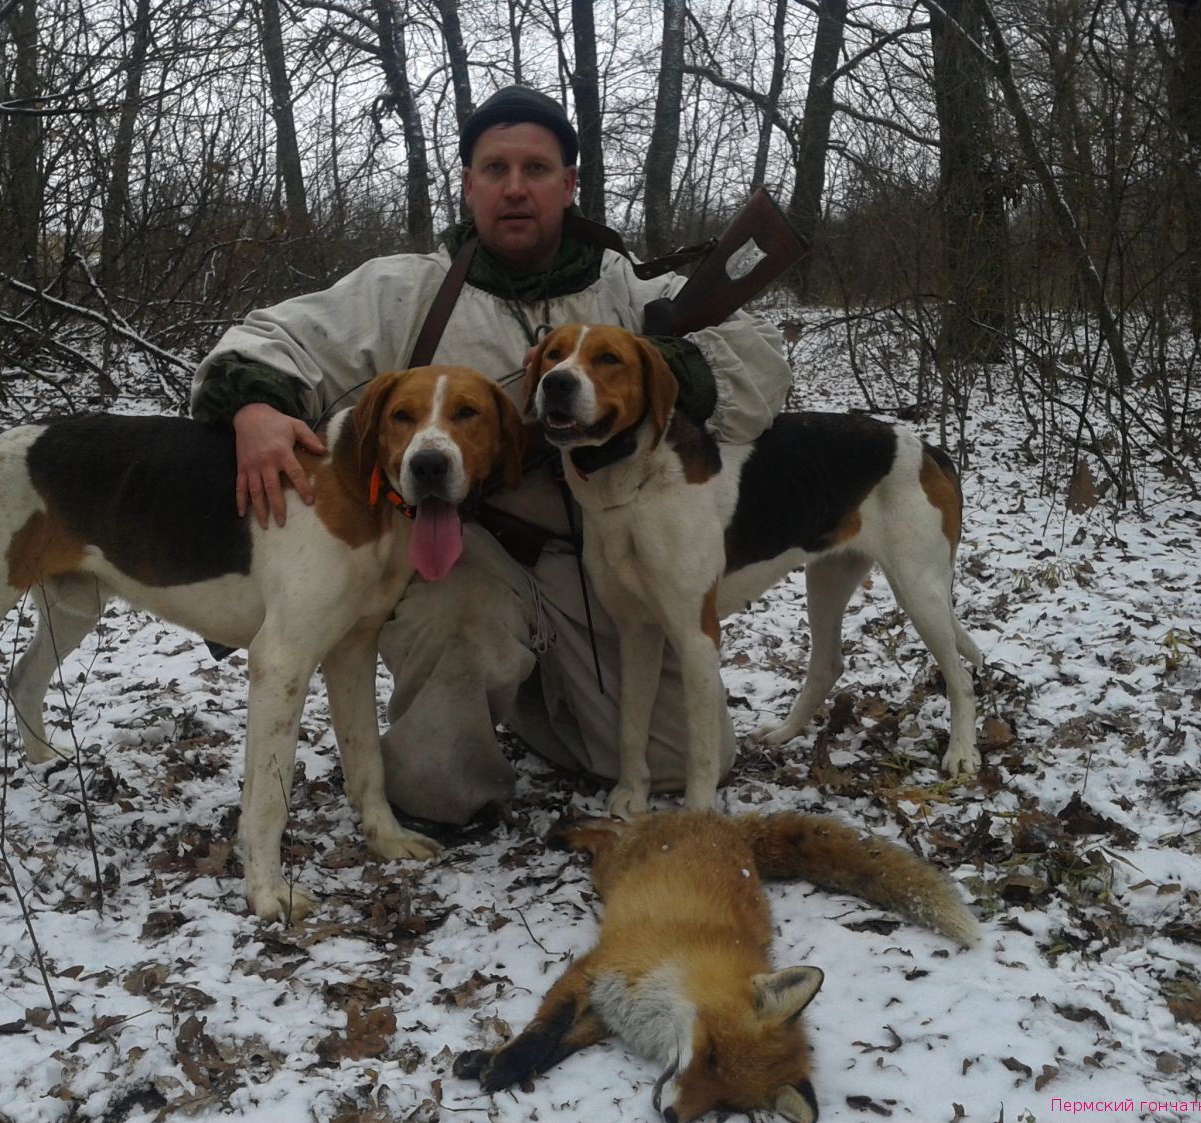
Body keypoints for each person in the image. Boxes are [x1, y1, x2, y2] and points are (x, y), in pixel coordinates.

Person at [191, 86, 792, 825]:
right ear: (467, 183)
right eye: (494, 168)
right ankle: (471, 708)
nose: (515, 187)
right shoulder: (405, 290)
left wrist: (665, 368)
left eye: (537, 169)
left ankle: (536, 694)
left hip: (604, 572)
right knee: (438, 789)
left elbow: (761, 365)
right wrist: (254, 404)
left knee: (674, 762)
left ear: (569, 185)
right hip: (464, 560)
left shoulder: (628, 292)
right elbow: (267, 339)